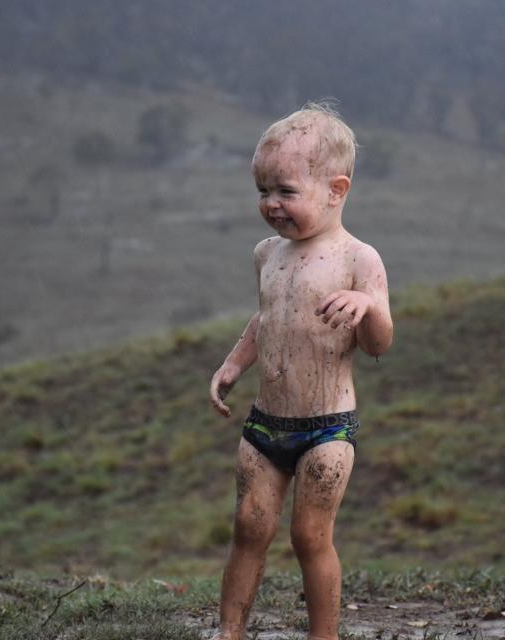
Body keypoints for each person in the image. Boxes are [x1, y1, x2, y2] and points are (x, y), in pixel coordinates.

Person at [208, 102, 393, 640]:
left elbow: (380, 344)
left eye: (286, 192)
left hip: (326, 428)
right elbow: (267, 318)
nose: (271, 205)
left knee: (310, 536)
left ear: (337, 190)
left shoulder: (360, 259)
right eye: (263, 191)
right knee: (248, 527)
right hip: (267, 422)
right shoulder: (267, 253)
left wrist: (368, 309)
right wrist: (234, 363)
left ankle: (324, 636)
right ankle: (230, 631)